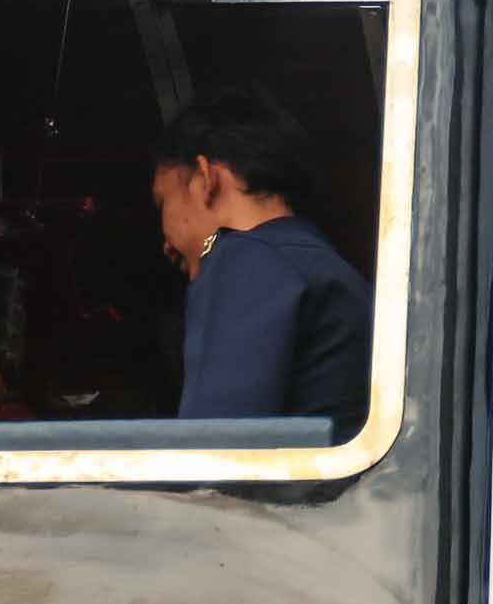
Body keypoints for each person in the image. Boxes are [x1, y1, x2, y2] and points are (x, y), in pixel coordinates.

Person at [150, 88, 374, 429]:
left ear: (205, 178)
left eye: (162, 201)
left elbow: (215, 455)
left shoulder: (240, 260)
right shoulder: (338, 272)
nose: (165, 244)